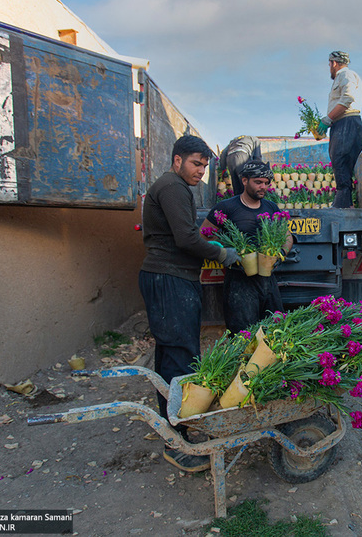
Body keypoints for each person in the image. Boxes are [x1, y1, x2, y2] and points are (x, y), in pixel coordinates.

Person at [139, 135, 241, 473]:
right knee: (179, 357)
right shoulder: (172, 186)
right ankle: (177, 443)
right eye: (196, 163)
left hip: (170, 277)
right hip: (169, 279)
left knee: (171, 353)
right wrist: (222, 253)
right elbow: (185, 237)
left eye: (204, 165)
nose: (200, 171)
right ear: (177, 159)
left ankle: (171, 428)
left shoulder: (175, 186)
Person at [201, 160, 293, 334]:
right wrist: (224, 252)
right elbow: (203, 236)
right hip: (239, 282)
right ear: (244, 180)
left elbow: (286, 236)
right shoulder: (226, 207)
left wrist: (281, 253)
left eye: (266, 183)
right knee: (243, 337)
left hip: (268, 280)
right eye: (258, 182)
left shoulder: (271, 207)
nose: (263, 187)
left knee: (275, 333)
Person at [316, 51, 362, 208]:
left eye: (329, 64)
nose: (329, 68)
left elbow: (348, 98)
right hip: (346, 124)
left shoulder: (345, 75)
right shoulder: (346, 76)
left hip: (346, 123)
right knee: (342, 164)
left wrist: (328, 119)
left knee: (340, 161)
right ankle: (346, 204)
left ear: (334, 63)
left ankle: (342, 205)